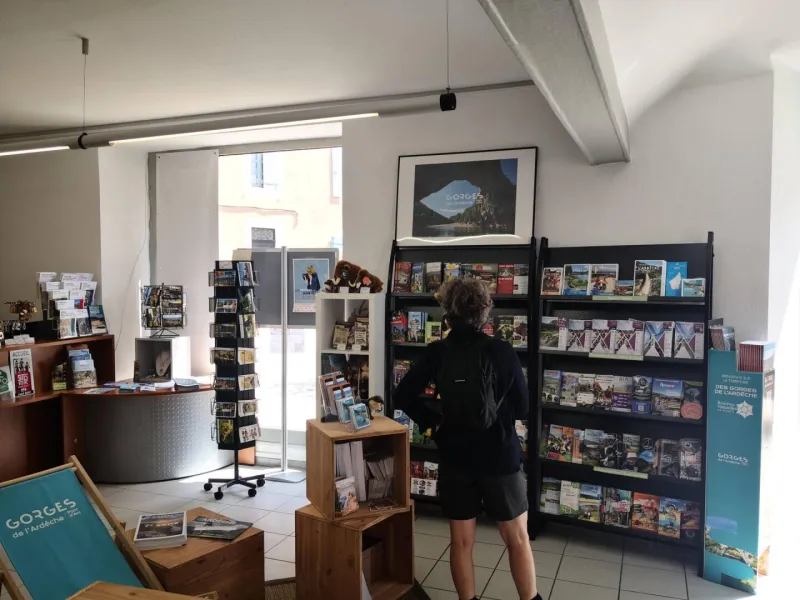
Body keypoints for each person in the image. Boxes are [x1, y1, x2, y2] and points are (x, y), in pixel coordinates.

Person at [394, 278, 540, 600]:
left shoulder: (437, 352)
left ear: (448, 311)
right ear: (484, 311)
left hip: (455, 455)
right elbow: (524, 408)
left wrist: (432, 423)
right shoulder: (502, 351)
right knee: (517, 539)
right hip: (499, 455)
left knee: (461, 541)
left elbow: (402, 394)